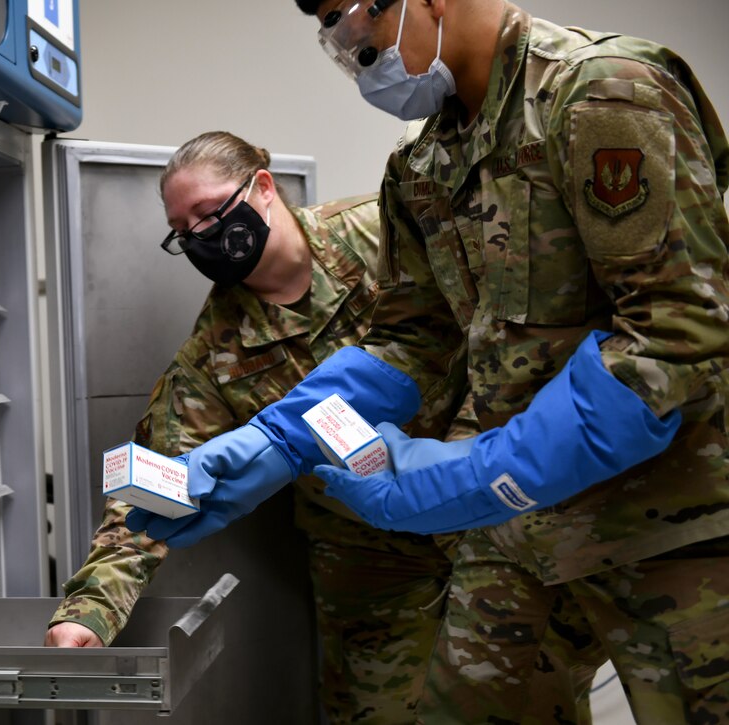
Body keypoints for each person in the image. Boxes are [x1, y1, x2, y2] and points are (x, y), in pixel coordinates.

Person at [126, 1, 729, 722]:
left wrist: (485, 473)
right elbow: (413, 340)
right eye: (335, 37)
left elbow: (677, 336)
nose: (356, 57)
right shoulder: (423, 165)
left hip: (670, 525)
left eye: (355, 27)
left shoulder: (599, 92)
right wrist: (278, 437)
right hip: (527, 536)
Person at [45, 130, 467, 724]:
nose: (199, 237)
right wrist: (87, 611)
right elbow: (156, 489)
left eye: (209, 213)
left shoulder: (380, 233)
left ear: (262, 187)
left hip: (486, 501)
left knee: (520, 699)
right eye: (182, 231)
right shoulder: (215, 350)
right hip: (372, 556)